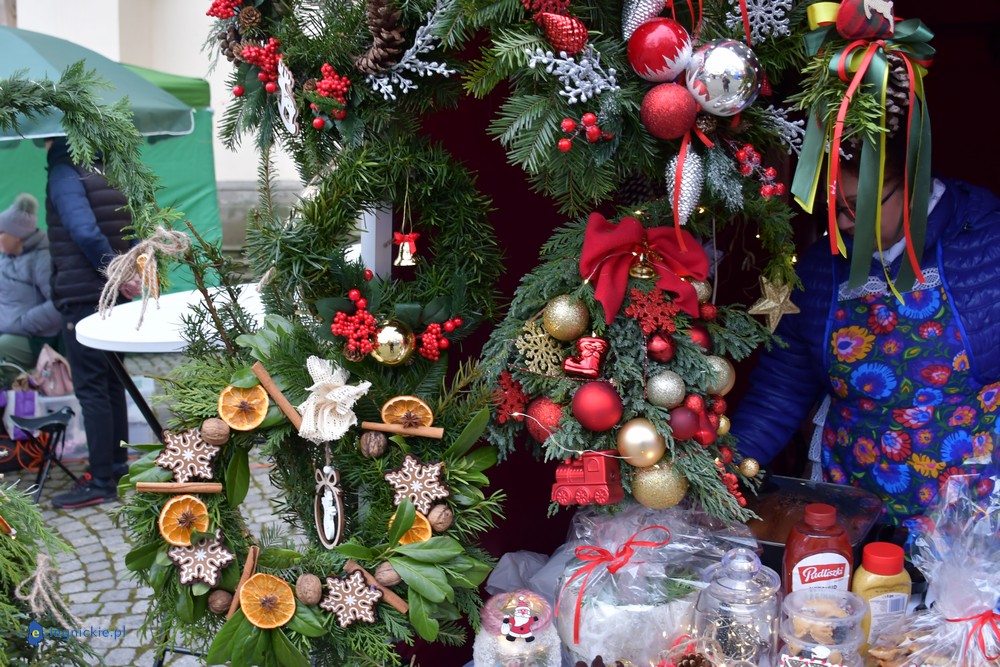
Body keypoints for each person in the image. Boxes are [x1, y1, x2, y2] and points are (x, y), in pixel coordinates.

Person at [731, 126, 1000, 526]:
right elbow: (780, 390)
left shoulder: (988, 244)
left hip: (973, 510)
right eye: (835, 207)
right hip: (853, 506)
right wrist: (726, 472)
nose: (843, 222)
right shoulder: (821, 269)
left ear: (911, 186)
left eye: (858, 206)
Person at [46, 137, 142, 509]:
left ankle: (101, 478)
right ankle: (117, 468)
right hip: (111, 295)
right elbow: (134, 226)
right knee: (112, 382)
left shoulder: (64, 170)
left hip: (85, 296)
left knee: (93, 389)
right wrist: (129, 272)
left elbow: (84, 230)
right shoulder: (110, 167)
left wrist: (117, 272)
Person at [0, 193, 62, 386]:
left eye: (1, 233)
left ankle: (17, 396)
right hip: (10, 329)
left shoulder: (42, 260)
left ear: (17, 236)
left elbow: (58, 305)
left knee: (2, 348)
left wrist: (23, 322)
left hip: (37, 337)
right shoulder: (5, 257)